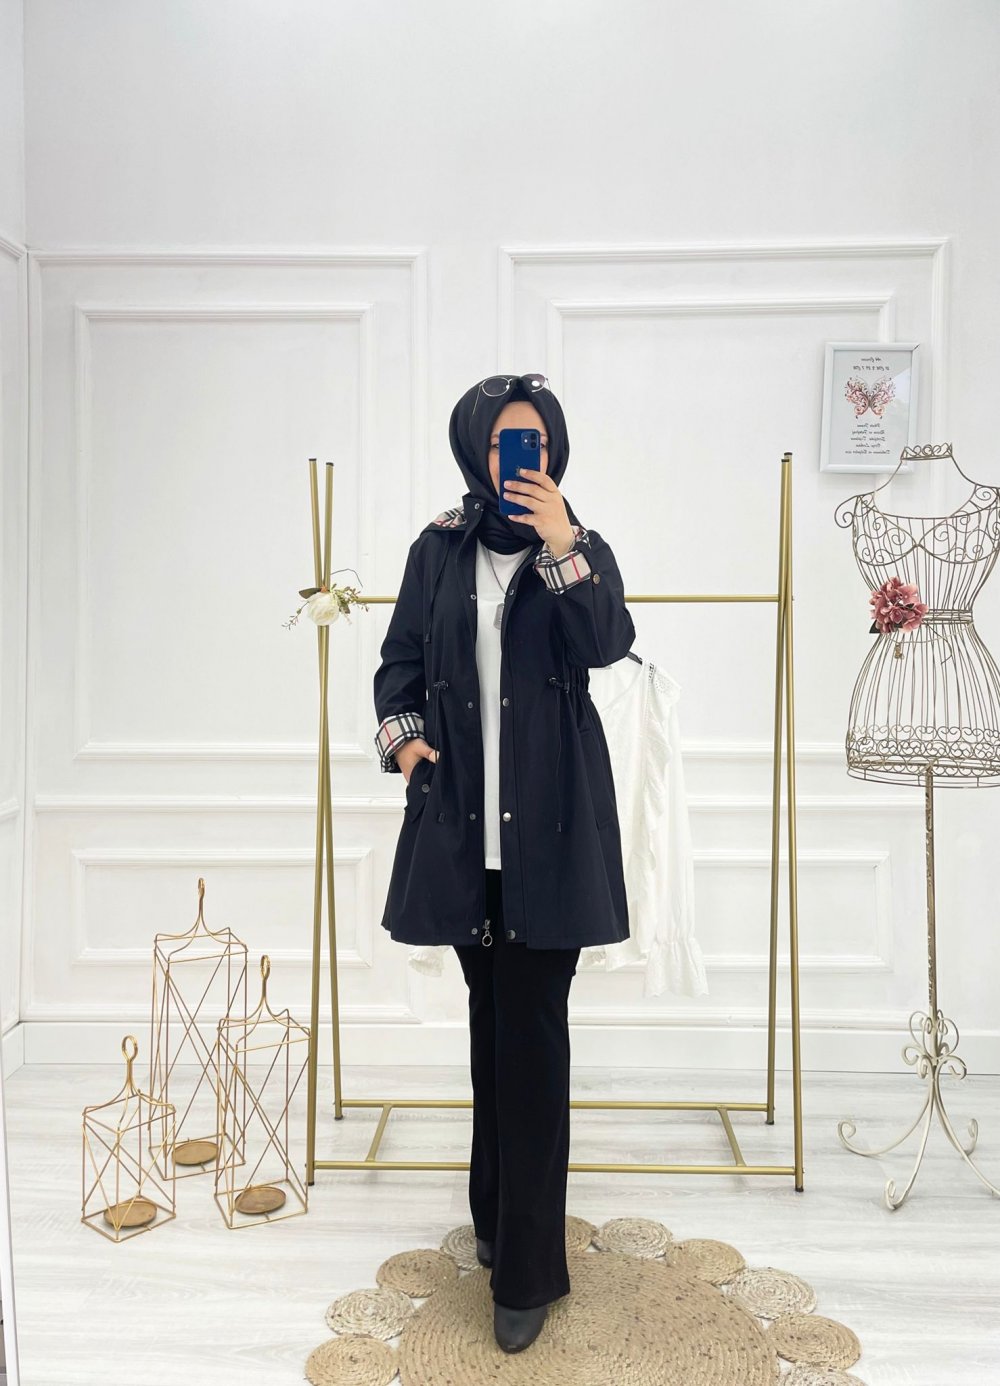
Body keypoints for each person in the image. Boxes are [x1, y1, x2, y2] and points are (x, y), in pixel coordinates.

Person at [373, 372, 634, 1353]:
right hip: (460, 835)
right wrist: (406, 746)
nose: (517, 459)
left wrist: (562, 542)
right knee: (493, 1039)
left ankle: (527, 1271)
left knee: (531, 1048)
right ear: (473, 448)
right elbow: (400, 663)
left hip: (550, 837)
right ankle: (493, 1219)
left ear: (554, 451)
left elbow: (606, 643)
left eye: (533, 442)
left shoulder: (581, 549)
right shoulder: (436, 550)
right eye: (500, 443)